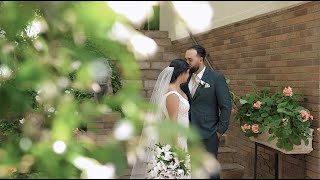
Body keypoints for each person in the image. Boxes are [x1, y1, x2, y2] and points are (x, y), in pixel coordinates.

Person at [130, 59, 191, 179]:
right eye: (188, 72)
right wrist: (175, 151)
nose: (188, 75)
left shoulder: (178, 91)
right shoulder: (172, 95)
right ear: (182, 72)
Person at [181, 45, 232, 179]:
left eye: (190, 60)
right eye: (186, 59)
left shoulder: (216, 78)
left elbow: (226, 106)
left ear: (201, 59)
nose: (187, 63)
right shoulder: (185, 79)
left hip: (209, 133)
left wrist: (219, 131)